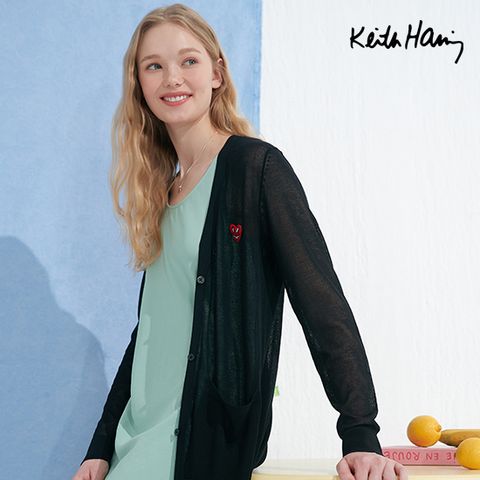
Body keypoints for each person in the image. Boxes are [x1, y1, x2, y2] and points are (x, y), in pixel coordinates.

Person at [72, 3, 408, 480]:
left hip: (200, 441)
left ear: (217, 73)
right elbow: (152, 331)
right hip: (136, 439)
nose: (172, 78)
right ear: (139, 84)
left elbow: (322, 304)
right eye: (154, 66)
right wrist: (101, 445)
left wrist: (360, 435)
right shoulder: (161, 193)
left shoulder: (256, 169)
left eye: (188, 60)